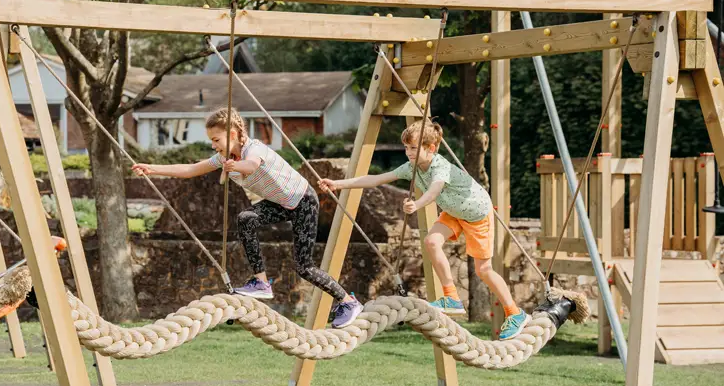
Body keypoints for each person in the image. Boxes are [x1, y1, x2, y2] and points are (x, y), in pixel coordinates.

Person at [131, 107, 364, 328]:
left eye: (216, 140)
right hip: (279, 203)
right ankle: (261, 282)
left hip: (302, 201)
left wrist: (236, 165)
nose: (213, 146)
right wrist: (152, 168)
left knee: (304, 267)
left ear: (232, 134)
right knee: (246, 218)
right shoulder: (223, 159)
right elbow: (191, 169)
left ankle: (347, 301)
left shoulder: (255, 149)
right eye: (211, 140)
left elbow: (251, 165)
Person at [318, 120, 530, 340]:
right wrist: (338, 184)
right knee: (431, 242)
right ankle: (451, 298)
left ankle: (515, 313)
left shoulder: (440, 167)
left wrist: (418, 205)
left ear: (431, 148)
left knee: (484, 270)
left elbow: (434, 190)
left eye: (413, 148)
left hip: (477, 214)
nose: (408, 152)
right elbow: (376, 179)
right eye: (407, 148)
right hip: (454, 212)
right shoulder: (411, 168)